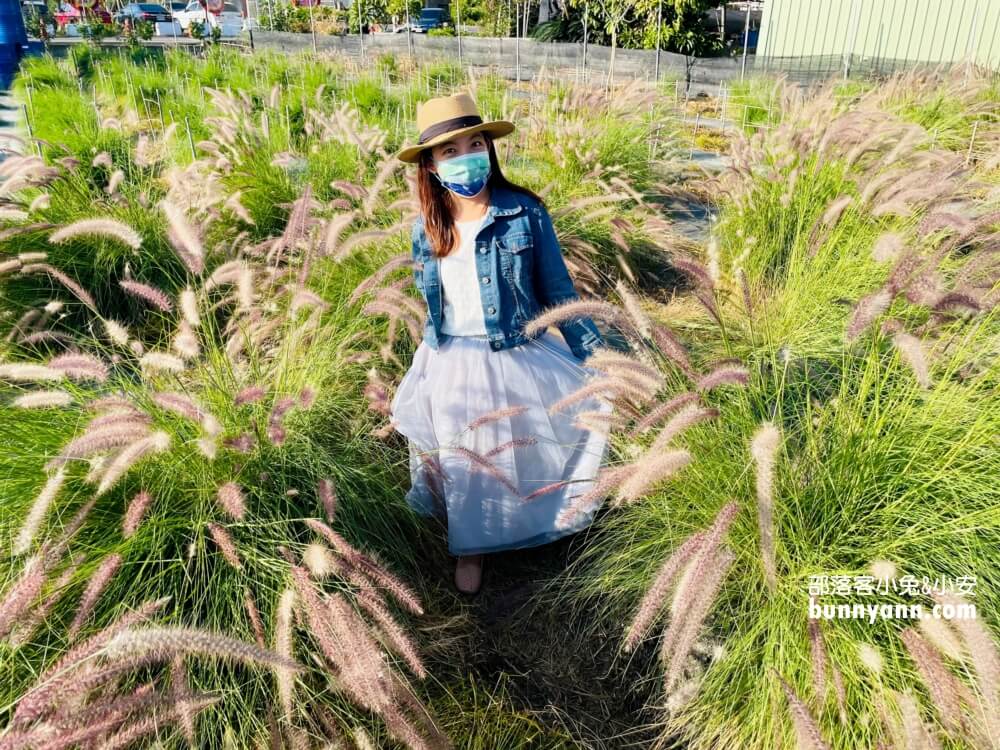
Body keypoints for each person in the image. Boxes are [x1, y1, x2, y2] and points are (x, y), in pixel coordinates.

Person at [390, 91, 614, 595]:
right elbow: (435, 302)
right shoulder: (426, 228)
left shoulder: (526, 212)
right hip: (451, 357)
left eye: (475, 144)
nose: (467, 156)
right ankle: (470, 547)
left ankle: (530, 522)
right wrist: (425, 365)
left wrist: (600, 359)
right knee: (463, 457)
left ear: (490, 149)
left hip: (513, 351)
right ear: (430, 164)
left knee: (523, 447)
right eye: (450, 151)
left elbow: (559, 292)